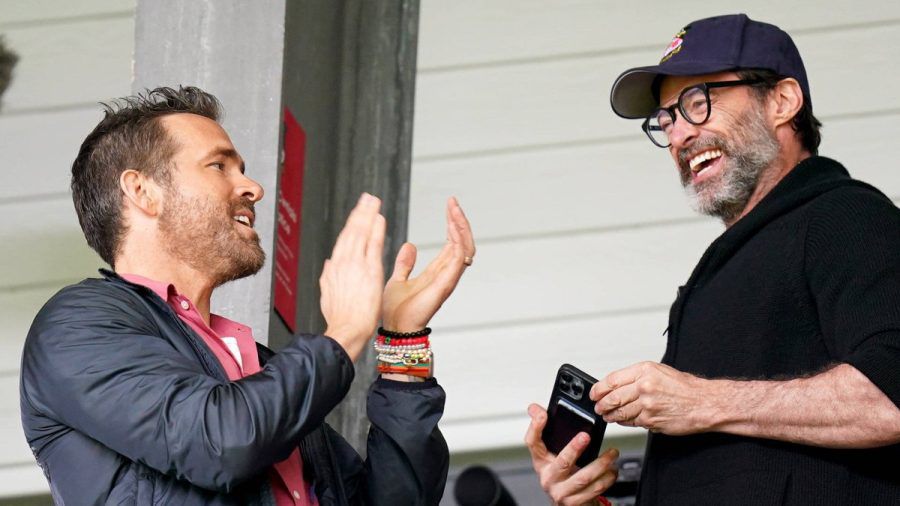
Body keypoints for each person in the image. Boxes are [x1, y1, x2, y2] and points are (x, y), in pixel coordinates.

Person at [20, 86, 476, 505]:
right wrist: (343, 336)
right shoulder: (76, 326)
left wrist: (402, 345)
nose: (252, 188)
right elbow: (219, 442)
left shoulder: (260, 365)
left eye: (243, 169)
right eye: (219, 165)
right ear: (142, 191)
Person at [527, 14, 900, 505]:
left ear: (782, 101)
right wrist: (589, 497)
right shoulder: (724, 267)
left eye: (697, 103)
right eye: (665, 120)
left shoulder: (844, 214)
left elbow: (891, 398)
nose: (678, 134)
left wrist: (700, 401)